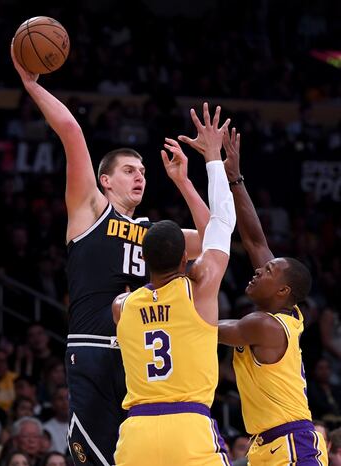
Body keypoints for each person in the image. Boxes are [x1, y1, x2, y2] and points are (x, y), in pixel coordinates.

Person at [10, 46, 211, 466]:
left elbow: (215, 242)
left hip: (143, 359)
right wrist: (32, 85)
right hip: (95, 349)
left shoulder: (156, 234)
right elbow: (71, 131)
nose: (139, 175)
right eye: (128, 170)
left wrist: (184, 182)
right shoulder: (89, 210)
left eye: (143, 171)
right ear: (104, 180)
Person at [180, 120, 329, 465]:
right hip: (268, 444)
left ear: (282, 290)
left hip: (292, 445)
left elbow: (203, 327)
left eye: (268, 272)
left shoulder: (263, 324)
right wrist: (235, 177)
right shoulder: (286, 312)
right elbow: (255, 240)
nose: (259, 270)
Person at [112, 105, 235, 465]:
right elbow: (219, 225)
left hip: (135, 435)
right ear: (186, 258)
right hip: (188, 427)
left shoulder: (121, 305)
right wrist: (211, 157)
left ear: (144, 261)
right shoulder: (200, 290)